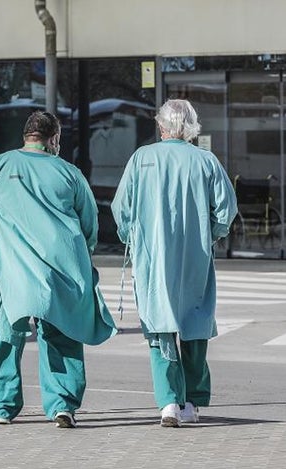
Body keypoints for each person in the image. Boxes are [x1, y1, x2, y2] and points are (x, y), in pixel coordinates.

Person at [0, 111, 117, 429]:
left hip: (12, 272)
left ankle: (2, 408)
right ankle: (62, 405)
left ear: (26, 136)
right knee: (62, 336)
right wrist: (85, 256)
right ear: (54, 138)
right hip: (61, 269)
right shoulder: (69, 173)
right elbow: (89, 223)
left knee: (8, 338)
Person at [111, 99, 238, 427]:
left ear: (161, 126)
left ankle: (168, 402)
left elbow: (121, 209)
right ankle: (192, 403)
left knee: (159, 328)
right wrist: (211, 235)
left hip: (152, 257)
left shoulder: (142, 159)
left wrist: (132, 237)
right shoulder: (206, 161)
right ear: (191, 127)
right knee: (195, 326)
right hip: (195, 256)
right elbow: (226, 210)